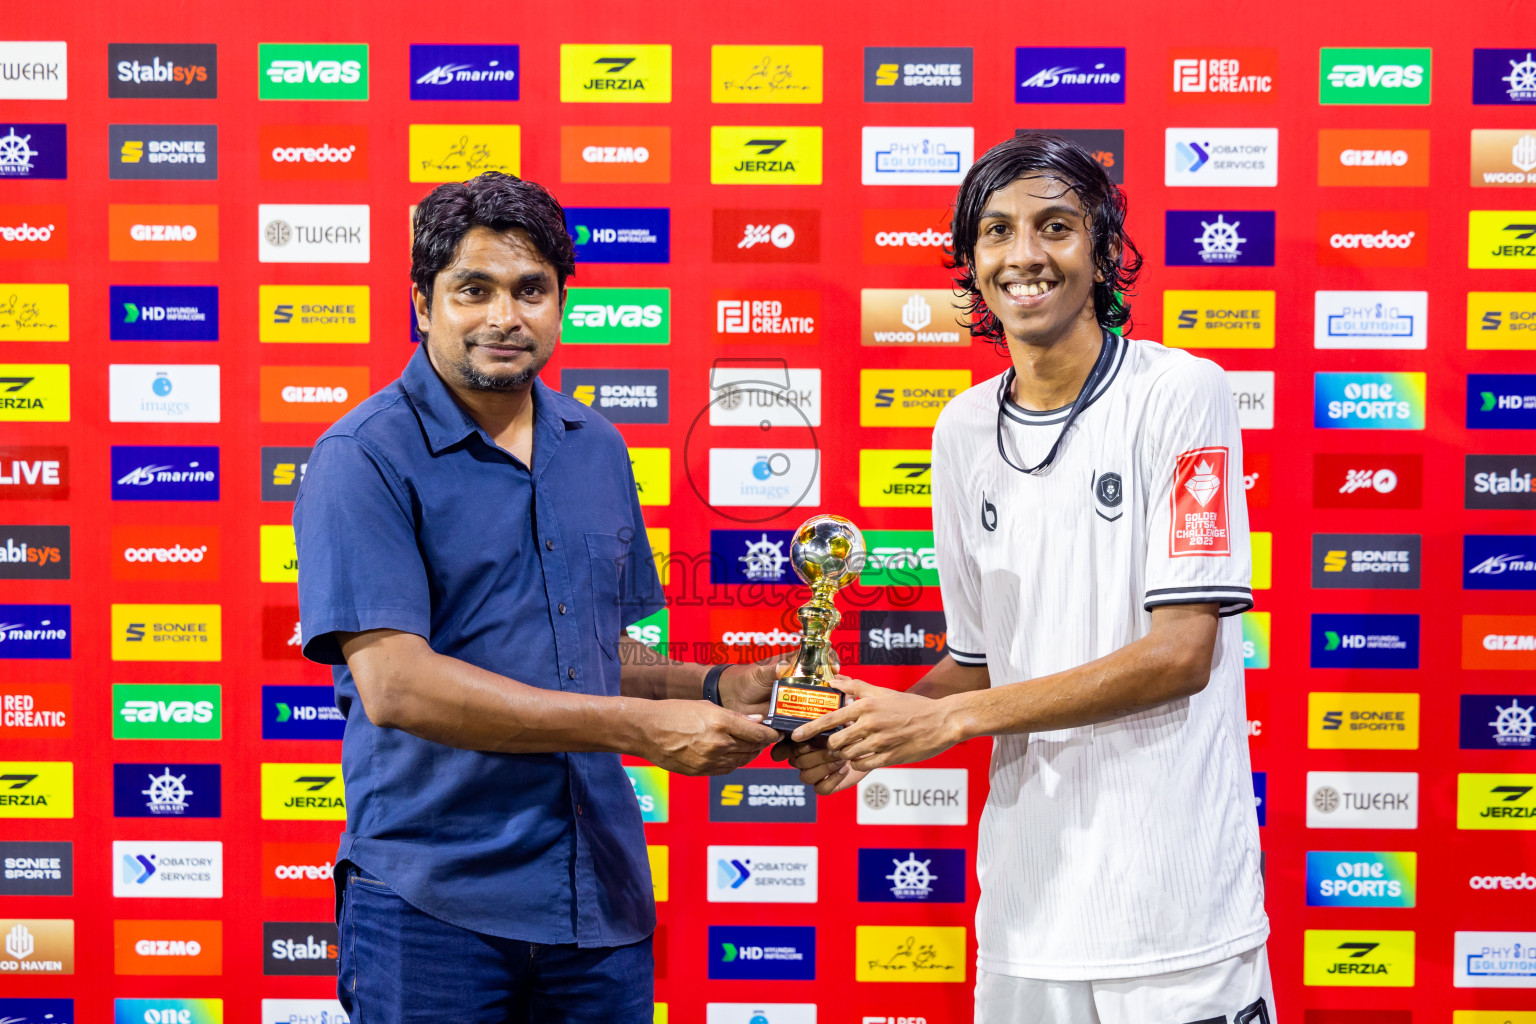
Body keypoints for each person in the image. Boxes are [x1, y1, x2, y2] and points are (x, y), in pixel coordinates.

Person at [775, 134, 1273, 1024]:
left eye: (1056, 227)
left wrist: (944, 721)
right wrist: (858, 727)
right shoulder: (963, 429)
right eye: (997, 232)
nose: (1025, 256)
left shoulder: (1180, 393)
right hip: (1026, 914)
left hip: (1174, 913)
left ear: (1104, 249)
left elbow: (1180, 653)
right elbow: (979, 659)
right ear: (971, 262)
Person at [294, 171, 781, 1023]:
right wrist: (638, 729)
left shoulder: (595, 444)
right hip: (434, 902)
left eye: (530, 290)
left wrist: (708, 687)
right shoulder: (363, 456)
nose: (503, 317)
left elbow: (590, 651)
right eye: (471, 290)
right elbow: (397, 685)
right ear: (422, 302)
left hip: (598, 896)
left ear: (561, 302)